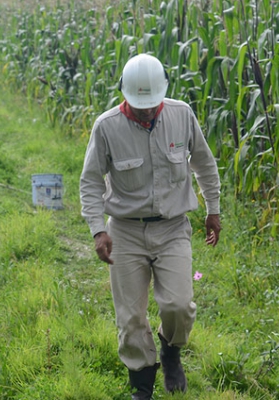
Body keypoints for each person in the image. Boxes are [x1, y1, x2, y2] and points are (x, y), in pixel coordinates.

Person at [79, 53, 221, 399]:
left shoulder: (181, 115)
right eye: (139, 105)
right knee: (130, 318)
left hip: (173, 228)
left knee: (178, 305)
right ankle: (141, 384)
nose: (146, 111)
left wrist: (213, 209)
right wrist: (99, 230)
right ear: (124, 93)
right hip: (126, 231)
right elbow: (91, 181)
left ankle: (170, 352)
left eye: (151, 105)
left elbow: (203, 162)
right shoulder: (107, 126)